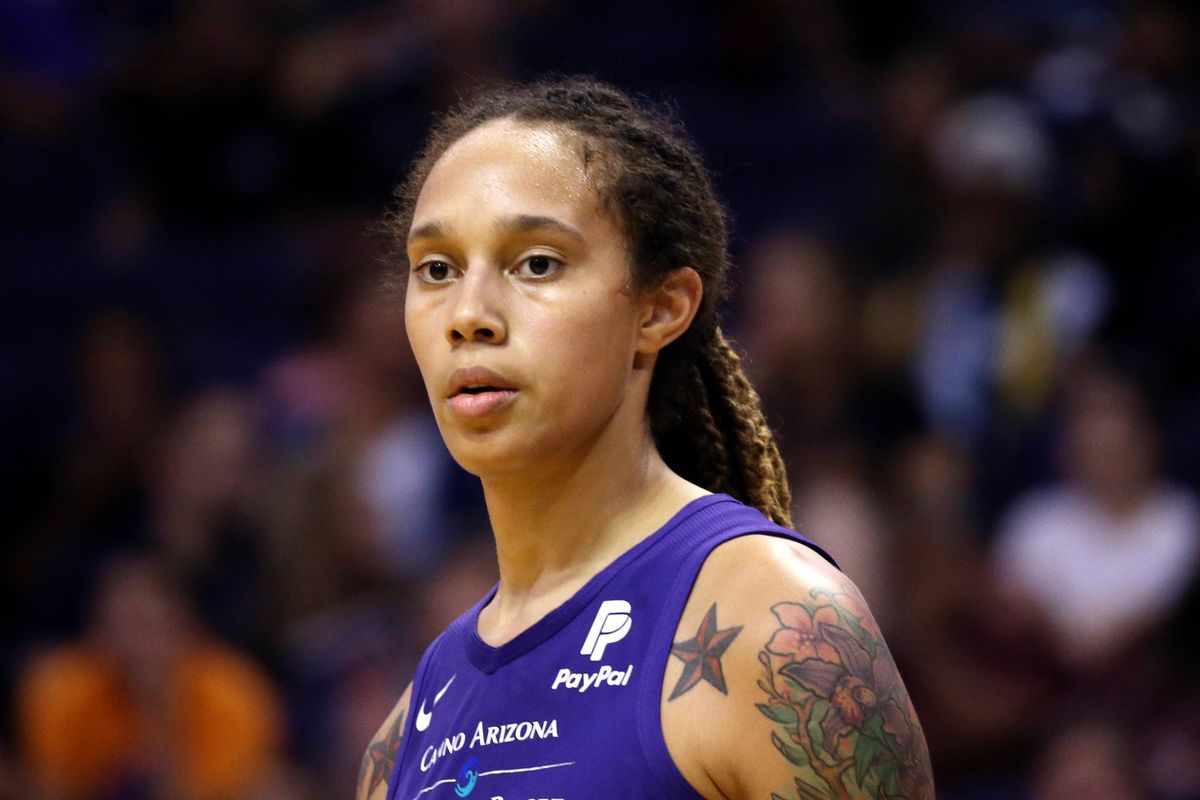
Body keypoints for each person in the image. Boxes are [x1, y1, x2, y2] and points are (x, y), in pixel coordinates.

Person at [356, 78, 933, 800]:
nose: (468, 314)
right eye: (436, 270)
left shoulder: (776, 627)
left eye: (537, 262)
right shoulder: (403, 736)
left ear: (661, 309)